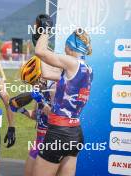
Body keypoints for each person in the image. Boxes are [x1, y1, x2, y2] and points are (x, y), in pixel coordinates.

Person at [32, 14, 93, 176]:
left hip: (59, 132)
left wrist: (45, 30)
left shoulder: (71, 62)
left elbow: (39, 51)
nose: (64, 50)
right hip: (75, 132)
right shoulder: (86, 68)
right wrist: (39, 43)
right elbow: (46, 72)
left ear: (70, 47)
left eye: (66, 47)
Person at [9, 55, 56, 176]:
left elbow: (56, 117)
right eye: (31, 83)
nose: (33, 86)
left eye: (34, 81)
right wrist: (21, 110)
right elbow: (36, 115)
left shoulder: (54, 88)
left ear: (42, 76)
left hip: (52, 139)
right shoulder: (40, 90)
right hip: (39, 139)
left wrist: (41, 101)